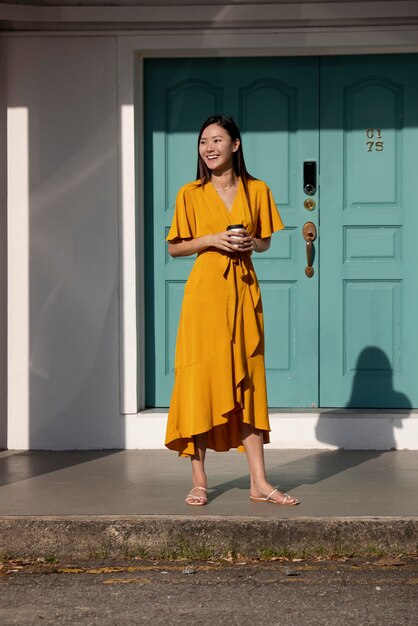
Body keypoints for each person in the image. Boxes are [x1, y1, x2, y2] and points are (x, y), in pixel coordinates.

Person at [165, 114, 299, 507]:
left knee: (249, 381)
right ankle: (200, 479)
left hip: (243, 294)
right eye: (203, 141)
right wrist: (209, 239)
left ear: (235, 146)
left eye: (217, 140)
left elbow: (266, 242)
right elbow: (174, 247)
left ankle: (258, 481)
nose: (208, 147)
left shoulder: (258, 190)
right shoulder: (189, 193)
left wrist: (250, 244)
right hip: (204, 298)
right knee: (201, 382)